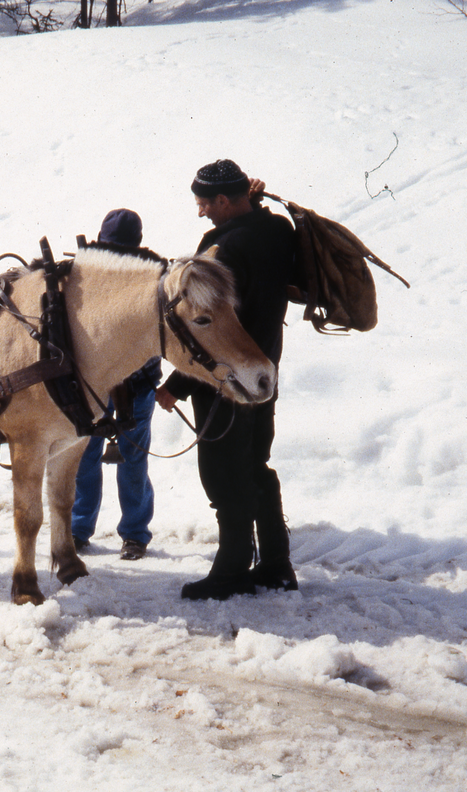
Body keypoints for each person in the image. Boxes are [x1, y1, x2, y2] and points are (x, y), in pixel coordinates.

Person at [155, 159, 299, 600]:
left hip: (224, 378)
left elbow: (208, 329)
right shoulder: (277, 231)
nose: (201, 212)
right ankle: (275, 564)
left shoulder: (223, 251)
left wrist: (176, 385)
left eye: (204, 204)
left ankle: (232, 570)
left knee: (224, 475)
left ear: (223, 200)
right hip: (264, 370)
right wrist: (253, 204)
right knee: (256, 467)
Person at [70, 208, 162, 561]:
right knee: (88, 457)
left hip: (132, 386)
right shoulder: (94, 274)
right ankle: (83, 529)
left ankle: (131, 533)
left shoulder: (146, 279)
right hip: (96, 384)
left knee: (126, 459)